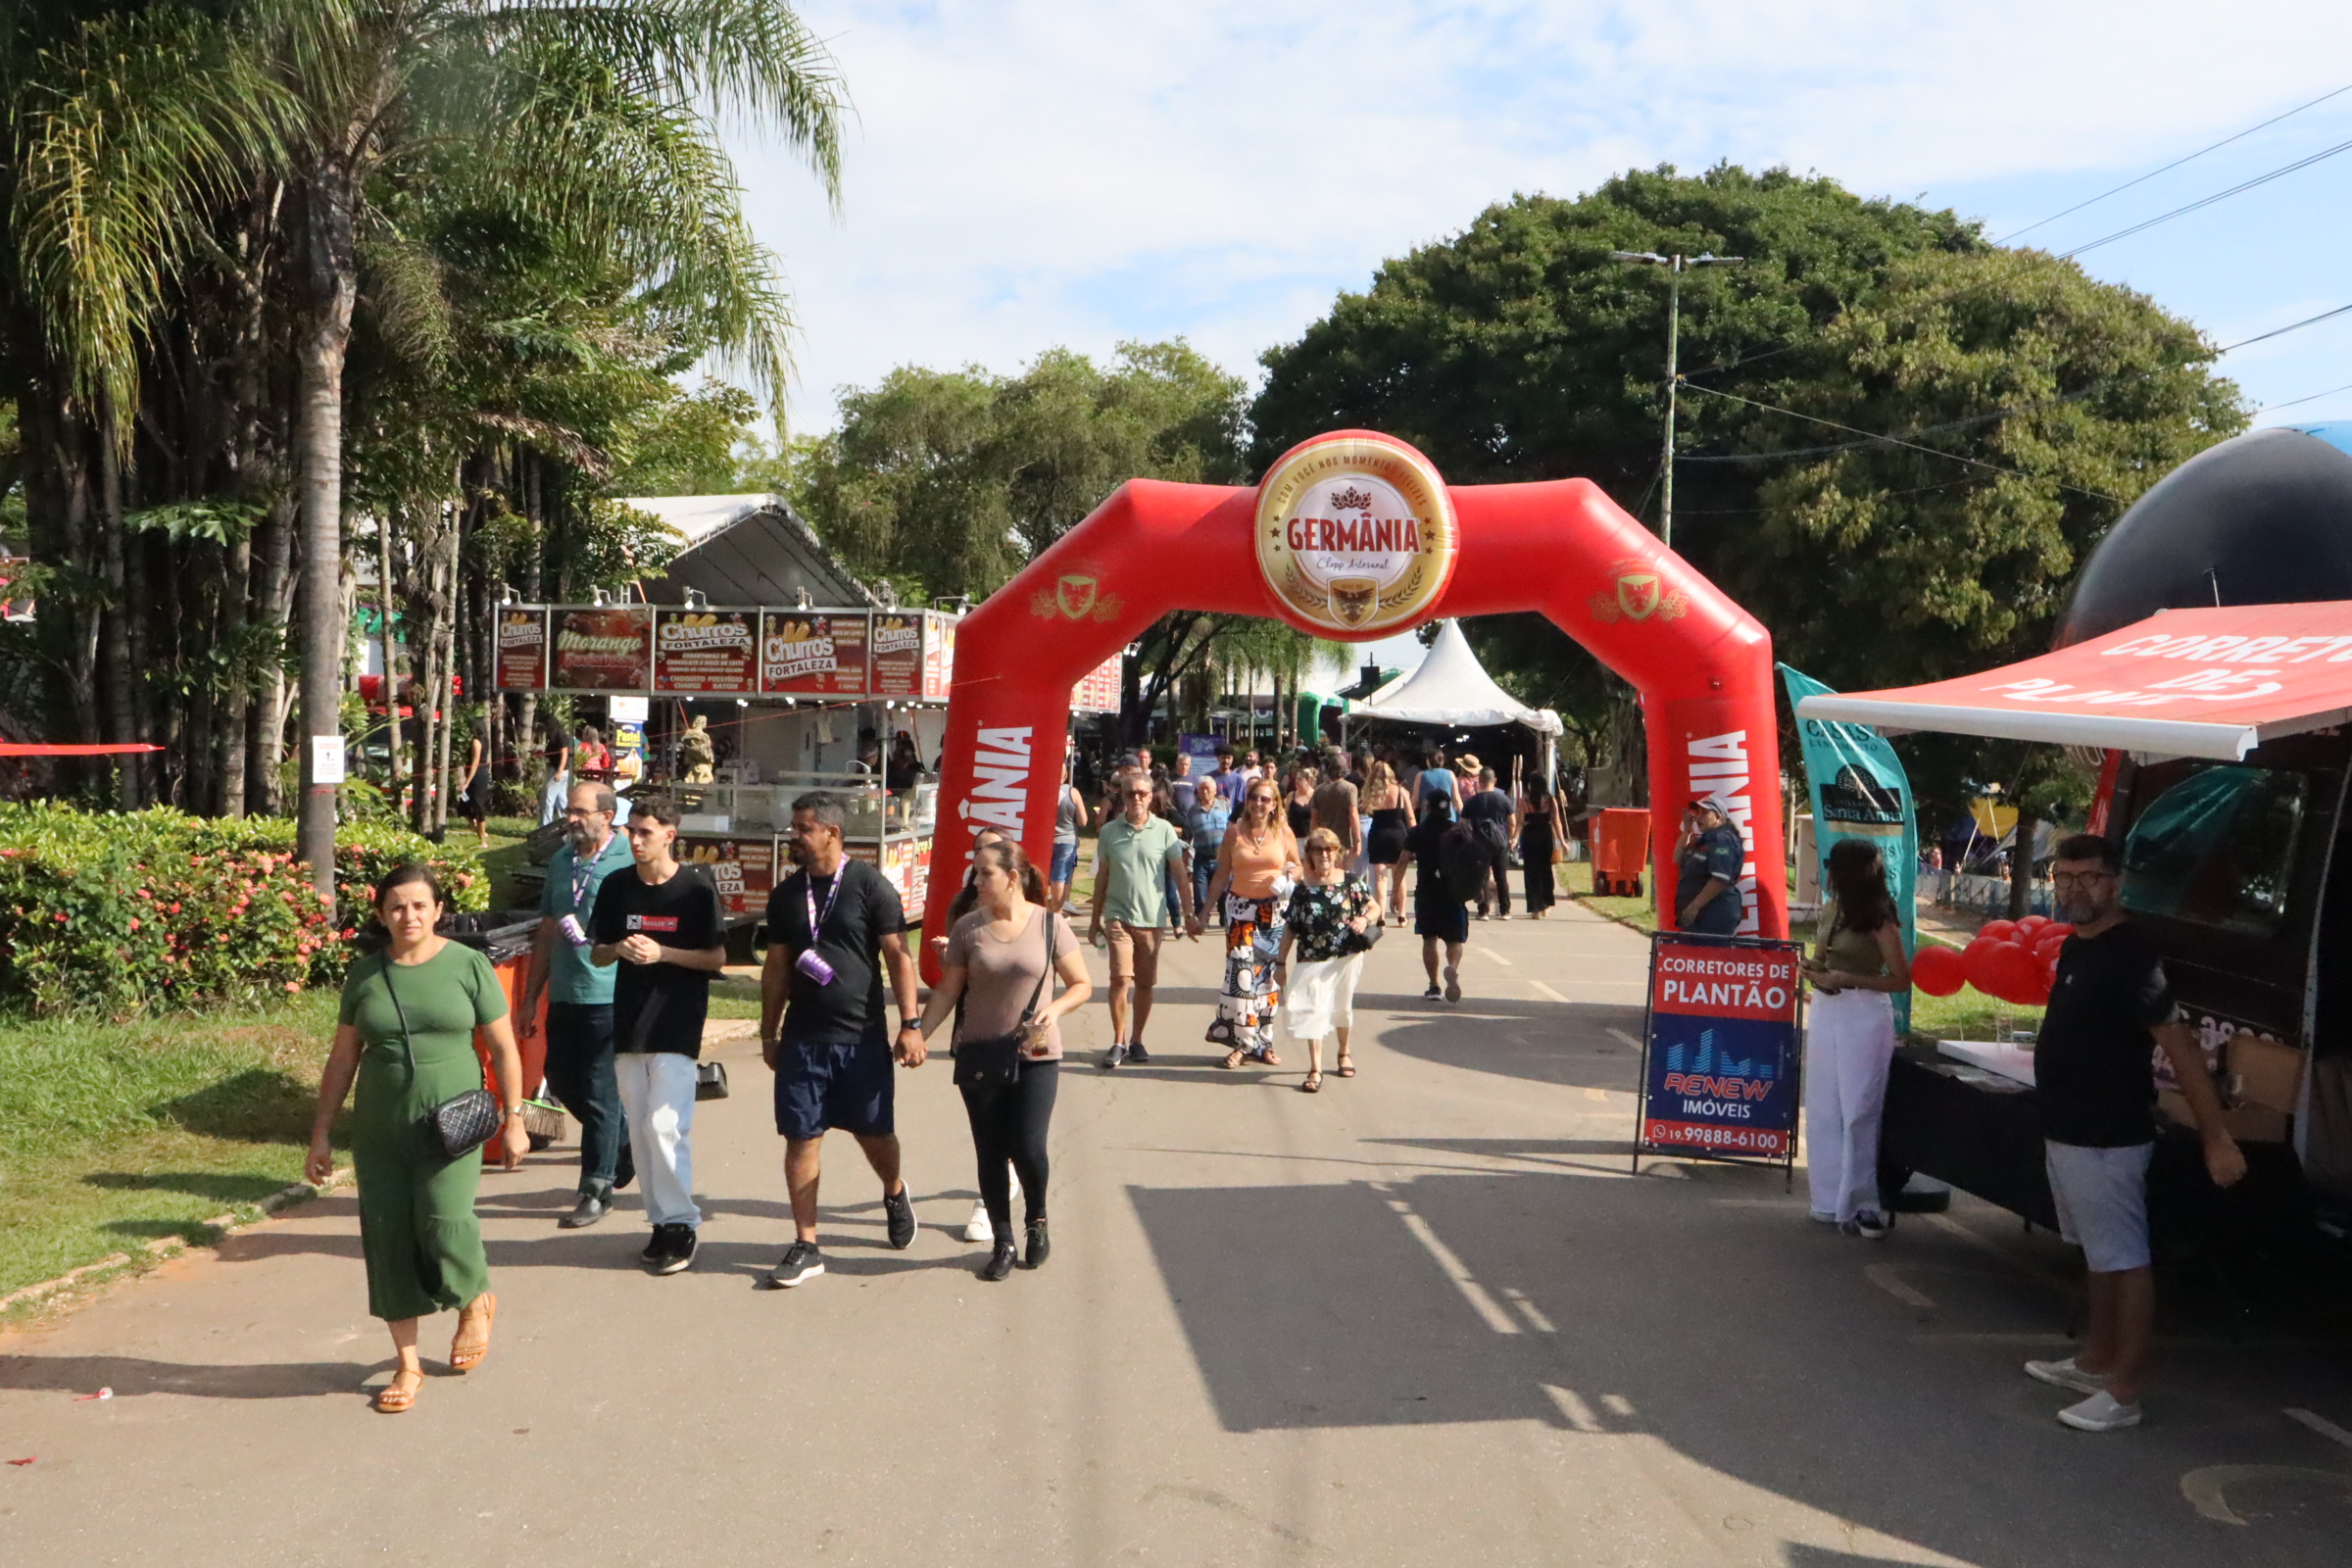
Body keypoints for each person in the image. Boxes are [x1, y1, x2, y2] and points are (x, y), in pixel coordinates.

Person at [2019, 834, 2245, 1433]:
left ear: (2115, 882)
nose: (2073, 889)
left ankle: (2124, 1391)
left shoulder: (2133, 955)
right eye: (2063, 877)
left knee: (2125, 1260)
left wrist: (2214, 1136)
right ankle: (2094, 1361)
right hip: (2067, 1131)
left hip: (2108, 1136)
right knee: (2098, 1254)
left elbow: (2182, 1049)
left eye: (2087, 877)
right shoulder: (2076, 948)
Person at [307, 865, 528, 1414]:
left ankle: (473, 1295)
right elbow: (342, 1059)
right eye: (397, 907)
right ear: (381, 915)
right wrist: (321, 1134)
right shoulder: (365, 974)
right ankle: (407, 1365)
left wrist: (516, 1116)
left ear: (438, 911)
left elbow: (503, 1047)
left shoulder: (468, 964)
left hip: (450, 1124)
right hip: (380, 1126)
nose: (409, 916)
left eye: (420, 905)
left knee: (443, 1218)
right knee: (387, 1235)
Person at [760, 791, 927, 1288]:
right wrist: (770, 1031)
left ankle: (894, 1191)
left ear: (831, 833)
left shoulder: (869, 886)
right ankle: (807, 1244)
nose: (793, 836)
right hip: (804, 1040)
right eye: (792, 827)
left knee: (874, 1133)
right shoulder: (787, 895)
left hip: (860, 1038)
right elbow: (776, 968)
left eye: (802, 828)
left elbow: (899, 956)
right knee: (801, 1137)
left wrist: (911, 1023)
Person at [917, 841, 1093, 1281]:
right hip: (980, 1053)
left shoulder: (1051, 925)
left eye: (984, 874)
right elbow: (947, 991)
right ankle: (1003, 1240)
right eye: (974, 874)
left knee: (1028, 1146)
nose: (975, 882)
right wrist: (918, 1034)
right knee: (991, 1151)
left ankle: (1037, 1218)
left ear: (1012, 878)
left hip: (1037, 1053)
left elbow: (1081, 984)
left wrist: (1055, 1009)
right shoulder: (967, 929)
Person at [589, 796, 727, 1275]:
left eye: (645, 831)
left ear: (671, 834)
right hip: (629, 1023)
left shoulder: (695, 889)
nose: (636, 839)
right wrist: (618, 948)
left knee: (665, 1127)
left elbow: (715, 959)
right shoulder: (616, 887)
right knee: (641, 1130)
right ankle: (660, 1222)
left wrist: (663, 954)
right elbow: (597, 954)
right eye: (632, 830)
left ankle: (683, 1223)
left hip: (677, 1022)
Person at [523, 781, 638, 1229]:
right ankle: (623, 1142)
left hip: (611, 996)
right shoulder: (561, 861)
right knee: (566, 1083)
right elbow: (549, 929)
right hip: (566, 994)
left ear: (606, 816)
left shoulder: (627, 861)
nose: (569, 819)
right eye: (568, 810)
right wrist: (531, 997)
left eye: (578, 811)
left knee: (600, 1090)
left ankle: (596, 1188)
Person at [1800, 839, 1914, 1239]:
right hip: (1829, 1007)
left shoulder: (1879, 917)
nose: (1826, 871)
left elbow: (1901, 979)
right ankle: (1828, 1200)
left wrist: (1847, 979)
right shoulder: (1833, 909)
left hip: (1864, 1010)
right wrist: (1811, 969)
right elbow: (1826, 958)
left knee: (1859, 1109)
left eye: (1833, 865)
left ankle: (1863, 1203)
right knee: (1824, 1105)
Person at [1089, 769, 1197, 1067]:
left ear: (1152, 797)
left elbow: (1179, 873)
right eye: (1130, 793)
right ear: (1121, 797)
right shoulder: (1110, 832)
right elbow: (1102, 876)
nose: (1136, 798)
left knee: (1146, 984)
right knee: (1121, 978)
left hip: (1152, 918)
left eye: (1142, 793)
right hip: (1117, 916)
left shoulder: (1164, 830)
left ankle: (1137, 1039)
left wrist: (1188, 913)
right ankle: (1118, 1040)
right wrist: (1094, 918)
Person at [1205, 775, 1300, 1067]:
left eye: (1265, 799)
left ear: (1274, 805)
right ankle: (1243, 1043)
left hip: (1273, 914)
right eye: (1254, 798)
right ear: (1246, 802)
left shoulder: (1283, 832)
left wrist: (1287, 876)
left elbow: (1298, 867)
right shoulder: (1234, 832)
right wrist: (1202, 912)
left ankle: (1264, 1043)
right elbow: (1222, 874)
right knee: (1242, 980)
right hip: (1240, 912)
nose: (1259, 803)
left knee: (1266, 983)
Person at [1276, 828, 1376, 1091]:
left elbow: (1374, 907)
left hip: (1346, 956)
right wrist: (1280, 962)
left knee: (1342, 1007)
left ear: (1337, 852)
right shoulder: (1303, 889)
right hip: (1312, 958)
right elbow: (1291, 927)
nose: (1324, 854)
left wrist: (1363, 919)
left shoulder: (1350, 881)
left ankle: (1344, 1052)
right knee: (1313, 1009)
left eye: (1329, 849)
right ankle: (1315, 1069)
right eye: (1318, 849)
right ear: (1308, 853)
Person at [1402, 797, 1469, 1004]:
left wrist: (1396, 888)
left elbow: (1403, 859)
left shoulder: (1418, 831)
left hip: (1427, 890)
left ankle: (1434, 986)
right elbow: (1472, 859)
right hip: (1452, 891)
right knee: (1454, 940)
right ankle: (1453, 969)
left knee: (1429, 939)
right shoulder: (1458, 831)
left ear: (1428, 807)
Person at [1676, 795, 1746, 936]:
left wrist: (1695, 906)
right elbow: (1677, 858)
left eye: (1705, 813)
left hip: (1714, 915)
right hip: (1697, 916)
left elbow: (1719, 879)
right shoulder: (1702, 840)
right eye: (1698, 813)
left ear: (1718, 818)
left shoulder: (1723, 839)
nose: (1698, 817)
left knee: (1711, 955)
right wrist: (1687, 832)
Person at [1362, 759, 1416, 926]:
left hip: (1378, 833)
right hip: (1397, 834)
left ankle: (1381, 918)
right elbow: (1411, 817)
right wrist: (1415, 838)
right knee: (1399, 876)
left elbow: (1365, 811)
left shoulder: (1370, 793)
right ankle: (1401, 915)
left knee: (1380, 878)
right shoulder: (1401, 791)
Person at [1461, 766, 1517, 920]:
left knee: (1483, 877)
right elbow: (1512, 822)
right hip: (1500, 842)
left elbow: (1464, 823)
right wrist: (1510, 838)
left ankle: (1483, 910)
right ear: (1495, 781)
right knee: (1501, 877)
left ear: (1479, 781)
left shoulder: (1472, 801)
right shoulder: (1504, 799)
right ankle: (1505, 910)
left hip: (1480, 842)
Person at [1184, 776, 1232, 928]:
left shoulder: (1224, 806)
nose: (1205, 792)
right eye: (1201, 789)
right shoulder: (1192, 811)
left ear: (1215, 790)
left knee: (1224, 892)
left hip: (1221, 858)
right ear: (1197, 791)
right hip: (1201, 857)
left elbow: (1232, 829)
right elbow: (1187, 835)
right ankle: (1202, 920)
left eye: (1208, 789)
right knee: (1200, 892)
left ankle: (1224, 919)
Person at [1519, 772, 1564, 917]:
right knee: (1545, 869)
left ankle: (1534, 908)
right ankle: (1545, 904)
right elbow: (1556, 822)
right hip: (1545, 835)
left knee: (1531, 872)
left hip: (1529, 836)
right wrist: (1562, 841)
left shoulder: (1524, 801)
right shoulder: (1550, 801)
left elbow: (1520, 822)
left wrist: (1514, 838)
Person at [1309, 750, 1363, 871]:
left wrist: (1313, 840)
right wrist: (1358, 841)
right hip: (1344, 841)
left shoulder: (1318, 789)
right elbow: (1353, 815)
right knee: (1344, 874)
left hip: (1324, 841)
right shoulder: (1350, 788)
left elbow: (1314, 818)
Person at [1048, 760, 1088, 911]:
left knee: (1046, 874)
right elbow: (1083, 821)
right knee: (1060, 875)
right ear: (1065, 776)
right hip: (1067, 840)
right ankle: (1057, 910)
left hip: (1047, 840)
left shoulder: (1043, 792)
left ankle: (1047, 906)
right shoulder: (1073, 793)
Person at [456, 730, 490, 847]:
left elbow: (475, 762)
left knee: (478, 806)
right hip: (476, 774)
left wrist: (467, 782)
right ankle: (478, 829)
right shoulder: (478, 741)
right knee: (463, 804)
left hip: (478, 776)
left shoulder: (476, 742)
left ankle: (483, 841)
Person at [1417, 747, 1463, 815]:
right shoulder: (1450, 774)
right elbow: (1456, 799)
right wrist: (1464, 816)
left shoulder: (1421, 775)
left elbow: (1415, 800)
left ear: (1428, 761)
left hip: (1427, 819)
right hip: (1448, 818)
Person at [1284, 765, 1318, 840]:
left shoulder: (1316, 795)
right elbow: (1285, 815)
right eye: (1296, 778)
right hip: (1293, 837)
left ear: (1308, 780)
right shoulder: (1291, 795)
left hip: (1310, 838)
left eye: (1299, 779)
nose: (1296, 781)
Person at [1168, 750, 1200, 814]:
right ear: (1177, 764)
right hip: (1173, 814)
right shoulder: (1169, 778)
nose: (1184, 767)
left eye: (1186, 764)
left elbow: (1199, 796)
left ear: (1190, 765)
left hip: (1190, 814)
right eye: (1181, 764)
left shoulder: (1195, 779)